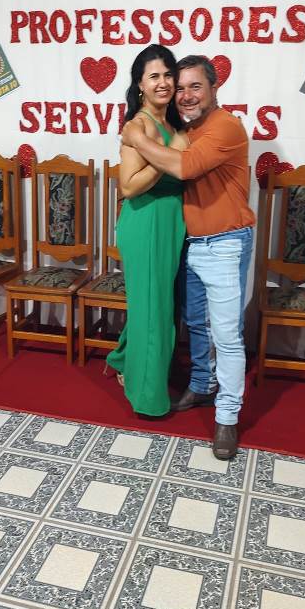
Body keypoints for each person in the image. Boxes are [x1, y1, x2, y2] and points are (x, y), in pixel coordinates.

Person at [121, 55, 255, 459]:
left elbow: (184, 167)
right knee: (195, 323)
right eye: (179, 87)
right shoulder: (185, 128)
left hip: (225, 241)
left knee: (226, 335)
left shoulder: (225, 126)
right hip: (191, 242)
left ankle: (227, 417)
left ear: (214, 88)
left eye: (195, 86)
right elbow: (135, 183)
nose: (185, 94)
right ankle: (201, 385)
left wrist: (136, 137)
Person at [106, 44, 187, 417]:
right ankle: (147, 395)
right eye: (154, 76)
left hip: (170, 224)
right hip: (146, 222)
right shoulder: (138, 126)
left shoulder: (172, 124)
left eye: (168, 74)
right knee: (153, 308)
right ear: (139, 84)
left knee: (155, 304)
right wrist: (168, 158)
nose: (163, 82)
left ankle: (126, 361)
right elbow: (128, 186)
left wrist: (173, 149)